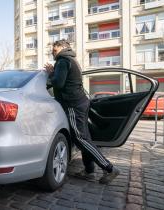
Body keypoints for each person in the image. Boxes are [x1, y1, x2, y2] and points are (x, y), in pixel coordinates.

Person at [44, 39, 119, 184]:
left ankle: (109, 168)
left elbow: (58, 83)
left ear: (62, 48)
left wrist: (50, 74)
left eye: (54, 49)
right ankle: (89, 170)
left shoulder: (63, 60)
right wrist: (55, 72)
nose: (52, 52)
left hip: (73, 104)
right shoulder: (72, 60)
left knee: (80, 138)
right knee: (85, 138)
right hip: (80, 102)